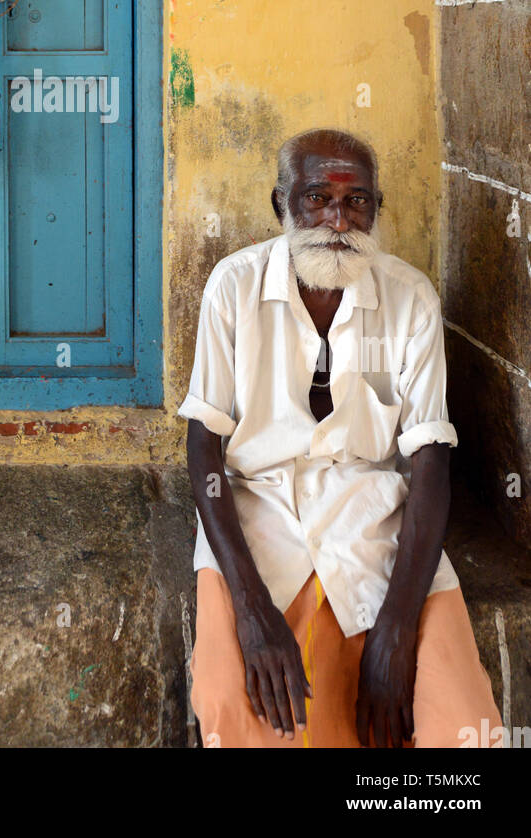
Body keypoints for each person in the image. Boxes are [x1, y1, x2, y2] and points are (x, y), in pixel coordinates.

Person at [181, 127, 502, 749]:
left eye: (357, 201)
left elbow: (432, 461)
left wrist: (398, 630)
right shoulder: (233, 287)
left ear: (376, 210)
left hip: (373, 526)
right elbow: (204, 447)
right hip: (259, 516)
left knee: (459, 725)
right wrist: (250, 610)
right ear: (282, 206)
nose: (338, 219)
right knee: (232, 702)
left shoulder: (410, 300)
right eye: (317, 198)